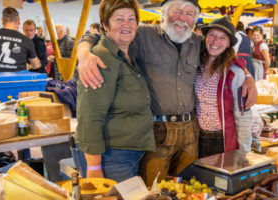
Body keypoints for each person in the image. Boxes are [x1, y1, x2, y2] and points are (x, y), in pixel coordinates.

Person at [76, 0, 257, 185]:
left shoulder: (197, 43)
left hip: (191, 132)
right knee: (152, 190)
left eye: (189, 14)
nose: (182, 19)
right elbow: (103, 37)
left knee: (187, 188)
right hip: (156, 132)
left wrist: (248, 76)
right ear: (164, 12)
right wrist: (83, 53)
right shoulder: (142, 35)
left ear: (195, 20)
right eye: (177, 11)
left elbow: (224, 53)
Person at [75, 0, 154, 183]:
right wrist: (94, 168)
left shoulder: (129, 53)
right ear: (105, 25)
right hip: (111, 157)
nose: (126, 25)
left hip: (130, 153)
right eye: (119, 19)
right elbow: (89, 116)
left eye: (131, 19)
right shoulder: (101, 60)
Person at [195, 17, 255, 158]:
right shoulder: (195, 66)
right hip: (196, 138)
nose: (216, 41)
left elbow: (243, 116)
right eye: (212, 35)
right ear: (205, 38)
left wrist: (243, 154)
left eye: (222, 37)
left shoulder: (235, 73)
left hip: (222, 140)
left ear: (229, 44)